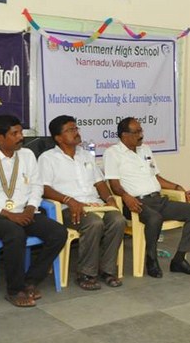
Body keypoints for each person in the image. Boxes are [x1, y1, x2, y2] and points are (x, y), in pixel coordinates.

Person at [0, 114, 67, 307]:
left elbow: (37, 186)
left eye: (21, 132)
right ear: (0, 138)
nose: (21, 137)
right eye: (15, 133)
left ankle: (30, 280)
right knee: (15, 233)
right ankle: (14, 290)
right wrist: (8, 214)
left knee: (58, 232)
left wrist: (31, 208)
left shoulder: (27, 156)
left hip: (24, 212)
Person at [103, 117, 190, 278]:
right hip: (135, 203)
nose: (141, 135)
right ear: (124, 135)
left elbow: (157, 178)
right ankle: (151, 259)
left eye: (141, 131)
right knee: (154, 218)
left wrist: (176, 187)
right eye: (136, 132)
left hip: (158, 199)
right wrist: (126, 196)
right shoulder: (112, 153)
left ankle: (179, 260)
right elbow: (114, 184)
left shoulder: (145, 149)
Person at [38, 115, 126, 290]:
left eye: (76, 128)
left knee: (118, 220)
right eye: (70, 130)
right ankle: (86, 273)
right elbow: (43, 188)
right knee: (94, 223)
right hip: (67, 208)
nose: (76, 132)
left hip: (94, 204)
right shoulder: (47, 159)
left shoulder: (85, 155)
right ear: (58, 138)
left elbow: (99, 183)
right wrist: (68, 200)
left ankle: (107, 270)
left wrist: (109, 199)